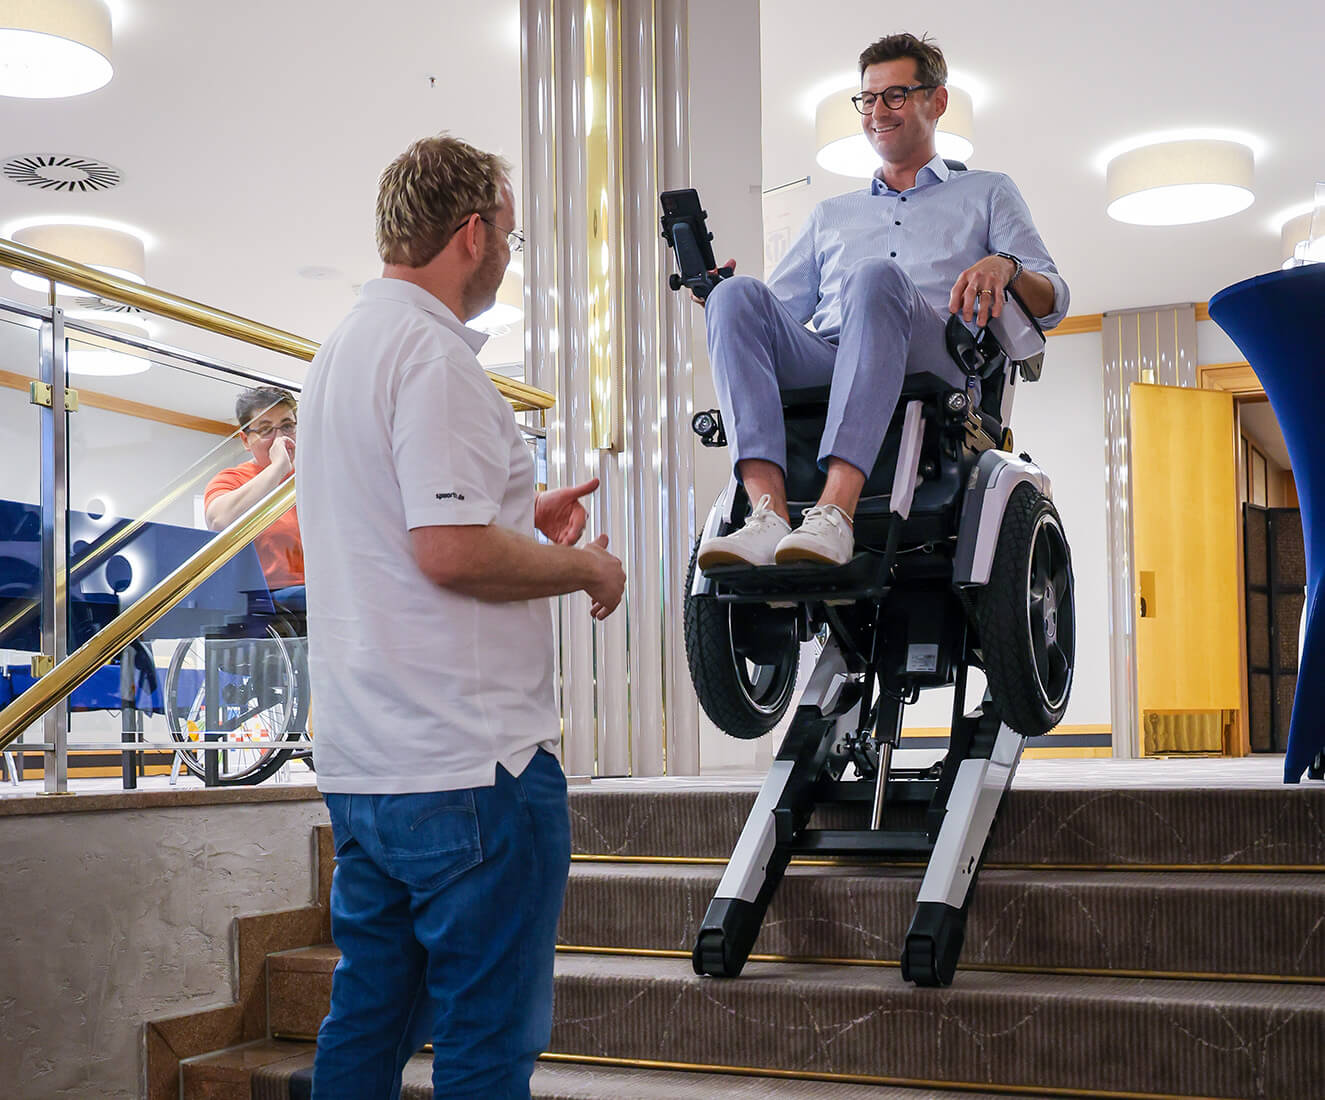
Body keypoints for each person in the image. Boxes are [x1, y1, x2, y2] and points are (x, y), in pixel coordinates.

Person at [295, 134, 625, 1099]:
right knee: (486, 1047)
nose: (506, 257)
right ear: (473, 232)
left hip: (367, 760)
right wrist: (579, 566)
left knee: (367, 1023)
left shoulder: (338, 355)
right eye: (511, 239)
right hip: (469, 766)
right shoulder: (433, 357)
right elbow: (447, 552)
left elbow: (408, 530)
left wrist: (523, 519)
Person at [696, 32, 1069, 570]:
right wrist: (720, 305)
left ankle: (835, 513)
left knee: (874, 278)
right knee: (734, 297)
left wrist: (1006, 266)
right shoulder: (830, 214)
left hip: (931, 356)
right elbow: (774, 314)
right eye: (868, 99)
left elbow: (1055, 300)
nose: (877, 111)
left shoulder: (988, 192)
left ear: (936, 101)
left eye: (895, 95)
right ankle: (766, 515)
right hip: (829, 354)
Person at [203, 386, 304, 595]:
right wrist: (278, 467)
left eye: (287, 426)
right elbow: (219, 520)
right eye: (266, 429)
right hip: (267, 599)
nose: (280, 438)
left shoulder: (314, 477)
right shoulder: (232, 479)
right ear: (246, 440)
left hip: (323, 588)